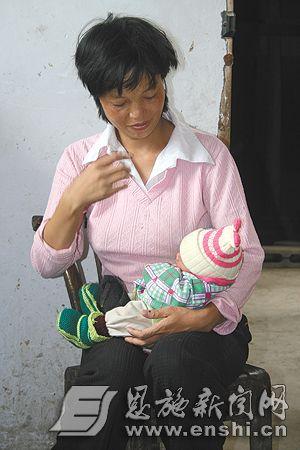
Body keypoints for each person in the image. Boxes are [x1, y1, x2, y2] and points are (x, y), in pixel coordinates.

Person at [30, 13, 264, 450]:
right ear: (98, 99)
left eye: (150, 93)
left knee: (177, 361)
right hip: (122, 317)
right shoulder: (81, 158)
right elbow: (46, 263)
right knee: (111, 367)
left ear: (163, 82)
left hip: (202, 321)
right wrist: (74, 199)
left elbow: (248, 253)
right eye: (120, 102)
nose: (138, 114)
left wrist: (203, 316)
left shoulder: (208, 157)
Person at [56, 219, 244, 348]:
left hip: (154, 316)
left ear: (199, 271)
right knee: (115, 291)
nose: (177, 256)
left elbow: (163, 288)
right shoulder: (207, 279)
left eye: (184, 257)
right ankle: (98, 306)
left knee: (127, 318)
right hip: (139, 296)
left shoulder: (188, 288)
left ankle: (93, 328)